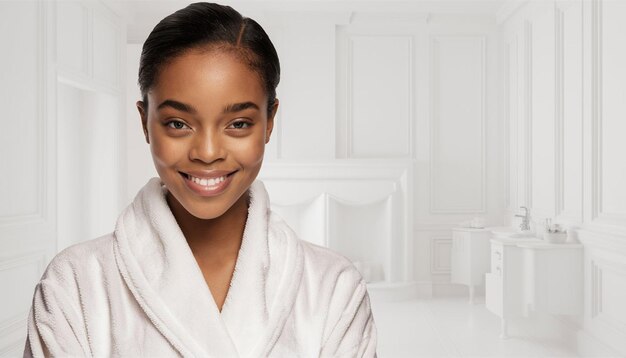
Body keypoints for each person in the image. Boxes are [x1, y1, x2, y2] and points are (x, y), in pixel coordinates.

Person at [24, 2, 377, 357]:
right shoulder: (74, 285)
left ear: (270, 121)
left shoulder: (334, 289)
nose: (207, 152)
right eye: (178, 123)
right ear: (144, 120)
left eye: (238, 124)